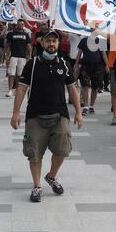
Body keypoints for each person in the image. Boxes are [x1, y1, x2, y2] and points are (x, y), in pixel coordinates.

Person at [10, 30, 83, 202]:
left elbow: (72, 88)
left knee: (63, 150)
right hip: (35, 115)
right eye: (48, 41)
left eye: (54, 41)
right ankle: (37, 187)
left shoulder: (63, 64)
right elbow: (21, 88)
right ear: (42, 43)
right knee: (34, 153)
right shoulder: (32, 64)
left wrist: (79, 112)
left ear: (58, 44)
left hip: (60, 115)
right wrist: (15, 113)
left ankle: (51, 176)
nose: (51, 44)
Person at [74, 35, 109, 115]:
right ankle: (85, 107)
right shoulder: (84, 40)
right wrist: (76, 64)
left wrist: (107, 65)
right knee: (85, 86)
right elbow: (79, 53)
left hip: (98, 66)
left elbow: (104, 54)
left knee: (95, 87)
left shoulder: (101, 41)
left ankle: (91, 106)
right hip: (86, 66)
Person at [6, 18, 32, 97]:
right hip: (13, 56)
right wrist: (7, 55)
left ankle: (17, 89)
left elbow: (29, 46)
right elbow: (8, 45)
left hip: (22, 57)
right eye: (19, 23)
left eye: (22, 24)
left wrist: (29, 56)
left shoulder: (26, 35)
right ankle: (10, 90)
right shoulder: (11, 34)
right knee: (11, 74)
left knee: (19, 75)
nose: (21, 25)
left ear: (23, 25)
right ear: (17, 24)